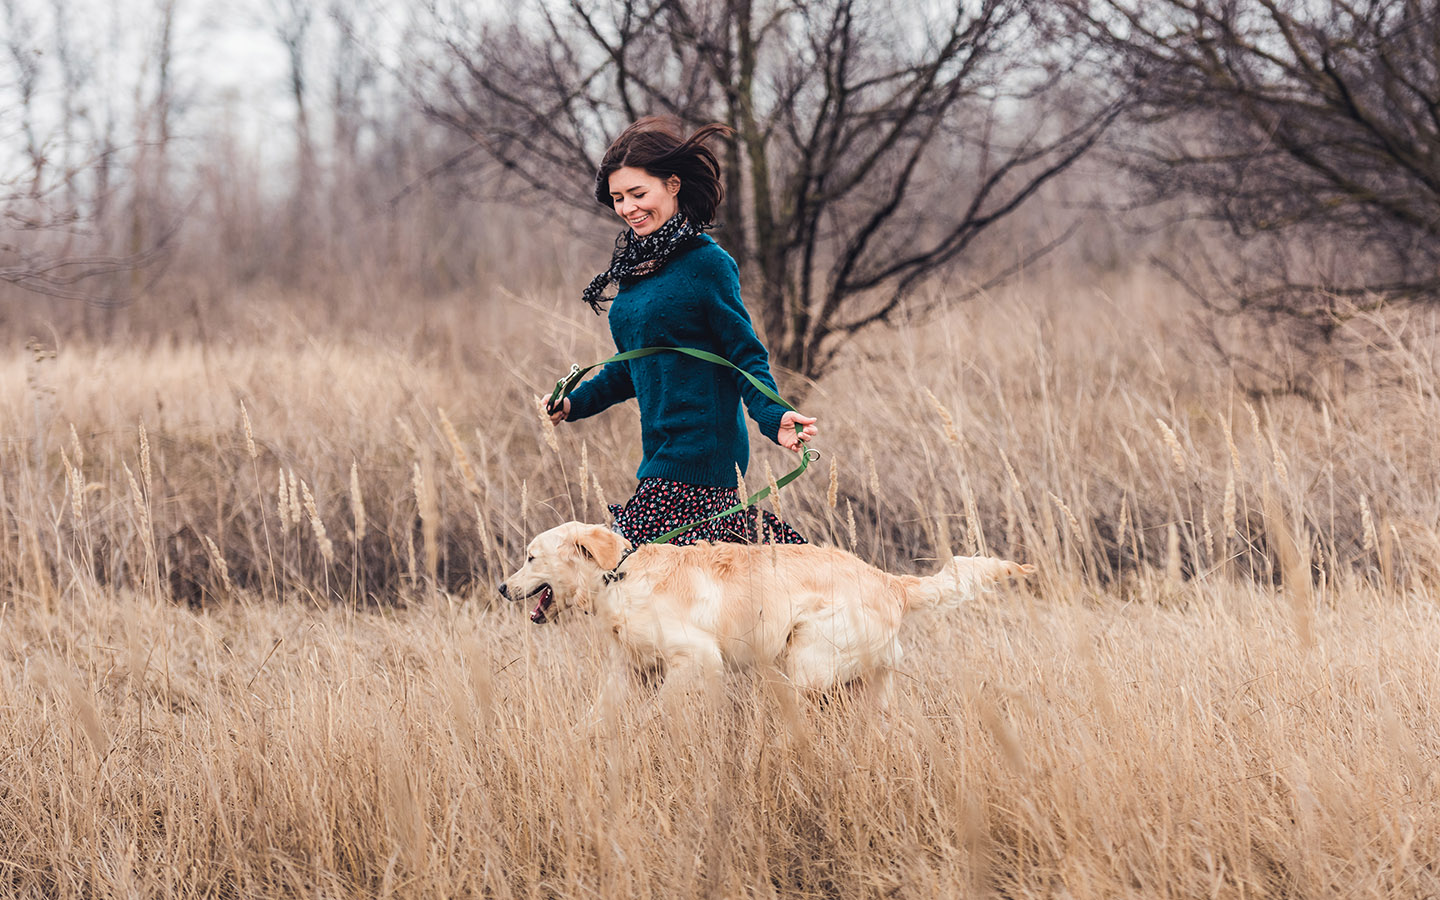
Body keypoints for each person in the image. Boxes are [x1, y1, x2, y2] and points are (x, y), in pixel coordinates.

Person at [544, 116, 817, 546]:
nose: (628, 207)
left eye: (638, 193)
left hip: (702, 453)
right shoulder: (637, 271)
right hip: (660, 451)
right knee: (698, 591)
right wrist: (573, 404)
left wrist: (772, 415)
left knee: (623, 570)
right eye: (618, 198)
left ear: (673, 185)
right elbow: (629, 368)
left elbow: (743, 354)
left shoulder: (706, 264)